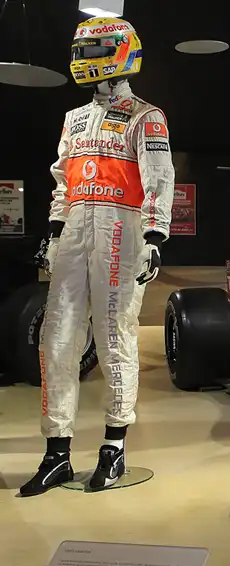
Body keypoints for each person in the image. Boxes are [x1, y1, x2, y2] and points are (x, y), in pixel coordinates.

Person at [20, 17, 175, 497]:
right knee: (56, 339)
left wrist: (154, 235)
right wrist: (54, 230)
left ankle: (114, 446)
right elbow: (62, 180)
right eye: (82, 52)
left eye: (96, 51)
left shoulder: (147, 117)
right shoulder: (73, 118)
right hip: (74, 232)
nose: (86, 61)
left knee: (114, 336)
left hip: (121, 231)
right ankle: (56, 453)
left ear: (122, 52)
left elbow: (159, 176)